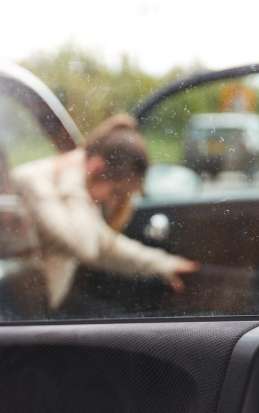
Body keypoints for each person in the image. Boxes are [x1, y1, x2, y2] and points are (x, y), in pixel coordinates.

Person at [11, 113, 200, 311]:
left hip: (40, 311)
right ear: (95, 168)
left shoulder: (75, 192)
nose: (112, 202)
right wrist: (73, 173)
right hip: (15, 320)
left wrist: (164, 265)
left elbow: (103, 243)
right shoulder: (35, 183)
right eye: (116, 193)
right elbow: (84, 246)